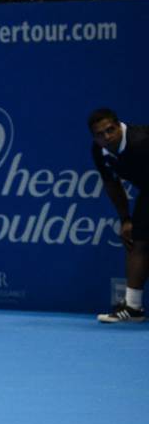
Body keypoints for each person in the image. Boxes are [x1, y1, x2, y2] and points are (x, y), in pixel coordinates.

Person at [90, 108, 148, 323]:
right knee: (137, 241)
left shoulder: (141, 142)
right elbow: (112, 184)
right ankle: (133, 307)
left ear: (118, 126)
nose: (106, 137)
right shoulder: (99, 151)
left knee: (141, 240)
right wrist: (125, 219)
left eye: (110, 130)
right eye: (100, 134)